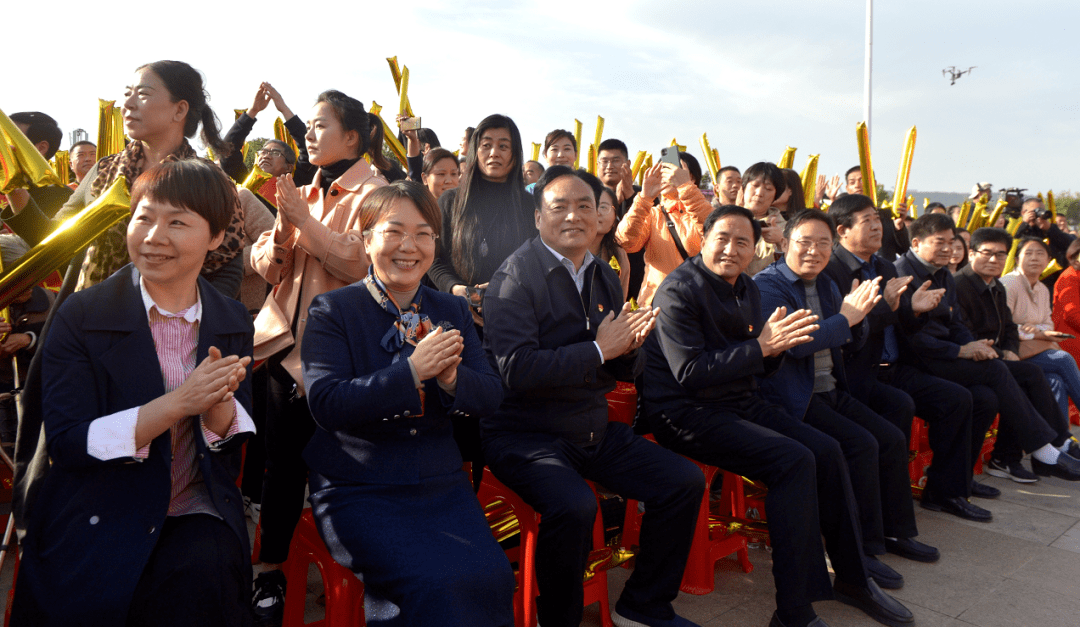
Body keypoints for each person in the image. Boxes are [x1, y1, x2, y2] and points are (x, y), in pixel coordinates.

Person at [645, 204, 914, 627]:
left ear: (756, 248)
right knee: (793, 460)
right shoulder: (680, 289)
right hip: (685, 412)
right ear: (704, 238)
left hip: (737, 401)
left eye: (743, 242)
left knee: (827, 450)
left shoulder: (745, 288)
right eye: (723, 239)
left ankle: (852, 576)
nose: (732, 249)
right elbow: (690, 373)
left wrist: (769, 351)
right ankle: (793, 609)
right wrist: (764, 349)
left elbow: (762, 358)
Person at [11, 159, 255, 627]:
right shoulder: (83, 314)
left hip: (189, 508)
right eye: (144, 217)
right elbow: (68, 441)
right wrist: (178, 403)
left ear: (217, 237)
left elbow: (226, 441)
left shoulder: (229, 317)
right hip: (97, 510)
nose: (153, 235)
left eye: (178, 222)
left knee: (206, 579)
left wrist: (219, 404)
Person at [482, 165, 703, 627]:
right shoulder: (513, 278)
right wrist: (601, 348)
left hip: (590, 427)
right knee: (575, 505)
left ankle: (643, 605)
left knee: (683, 481)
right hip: (526, 434)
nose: (574, 216)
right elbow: (515, 371)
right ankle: (556, 618)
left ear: (601, 217)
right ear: (538, 218)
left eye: (586, 206)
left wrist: (629, 349)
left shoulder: (603, 273)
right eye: (559, 206)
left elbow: (617, 363)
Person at [300, 181, 514, 626]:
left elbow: (491, 394)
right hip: (358, 486)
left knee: (493, 577)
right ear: (366, 240)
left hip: (439, 482)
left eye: (423, 234)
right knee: (429, 585)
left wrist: (454, 379)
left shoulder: (450, 311)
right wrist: (411, 373)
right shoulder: (332, 310)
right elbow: (327, 403)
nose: (409, 246)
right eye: (394, 231)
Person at [249, 89, 387, 625]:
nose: (307, 135)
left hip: (343, 358)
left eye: (319, 125)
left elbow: (360, 264)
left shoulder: (377, 192)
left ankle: (353, 569)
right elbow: (266, 267)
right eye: (307, 125)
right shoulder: (303, 190)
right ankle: (271, 571)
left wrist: (305, 221)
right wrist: (286, 224)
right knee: (280, 468)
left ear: (352, 136)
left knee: (344, 465)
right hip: (285, 350)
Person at [755, 209, 934, 591]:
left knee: (890, 437)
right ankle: (862, 551)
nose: (814, 251)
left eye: (823, 244)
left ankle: (895, 532)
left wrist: (860, 315)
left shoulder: (825, 284)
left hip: (831, 387)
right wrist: (848, 319)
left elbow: (851, 331)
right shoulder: (768, 285)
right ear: (785, 242)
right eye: (805, 242)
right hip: (796, 398)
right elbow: (799, 343)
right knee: (859, 445)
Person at [2, 61, 246, 298]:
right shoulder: (104, 172)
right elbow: (50, 239)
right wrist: (12, 182)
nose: (127, 104)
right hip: (92, 321)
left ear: (179, 109)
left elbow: (226, 269)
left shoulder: (209, 181)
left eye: (143, 94)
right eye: (128, 94)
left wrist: (185, 325)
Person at [824, 194, 994, 523]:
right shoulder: (833, 272)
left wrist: (913, 309)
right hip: (857, 372)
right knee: (900, 406)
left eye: (878, 218)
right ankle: (885, 514)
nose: (877, 226)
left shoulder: (884, 266)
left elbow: (900, 322)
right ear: (842, 230)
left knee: (961, 398)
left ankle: (945, 492)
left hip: (894, 366)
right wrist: (890, 308)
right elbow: (847, 333)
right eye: (867, 221)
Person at [895, 216, 1080, 483]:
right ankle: (1047, 449)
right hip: (925, 360)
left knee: (1009, 387)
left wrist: (990, 347)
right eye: (941, 243)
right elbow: (912, 337)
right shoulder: (908, 274)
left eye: (1000, 254)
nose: (948, 249)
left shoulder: (949, 274)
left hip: (959, 352)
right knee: (1027, 368)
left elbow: (969, 324)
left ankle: (971, 477)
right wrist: (965, 349)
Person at [427, 114, 535, 326]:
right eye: (486, 145)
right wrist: (455, 288)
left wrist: (504, 289)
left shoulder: (530, 205)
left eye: (503, 146)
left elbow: (537, 263)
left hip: (514, 317)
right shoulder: (450, 201)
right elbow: (432, 257)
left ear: (515, 154)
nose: (494, 153)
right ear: (475, 151)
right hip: (456, 316)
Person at [615, 151, 709, 306]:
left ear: (692, 178)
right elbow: (625, 242)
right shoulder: (652, 213)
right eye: (663, 171)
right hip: (656, 304)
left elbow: (712, 230)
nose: (668, 176)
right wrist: (644, 198)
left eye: (676, 170)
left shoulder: (703, 210)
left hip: (698, 303)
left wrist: (686, 189)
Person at [1001, 237, 1080, 420]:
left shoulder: (1043, 289)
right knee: (1063, 359)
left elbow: (1047, 324)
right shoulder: (1009, 284)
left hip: (1038, 349)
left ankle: (1060, 440)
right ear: (1017, 258)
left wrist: (1035, 330)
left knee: (1056, 381)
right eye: (1028, 253)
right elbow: (1005, 327)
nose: (1034, 258)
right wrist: (1037, 332)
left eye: (1040, 254)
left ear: (1048, 260)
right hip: (1011, 351)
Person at [220, 82, 313, 185]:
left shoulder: (296, 188)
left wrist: (283, 108)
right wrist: (252, 111)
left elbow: (309, 147)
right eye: (263, 152)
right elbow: (227, 150)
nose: (266, 156)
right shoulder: (247, 184)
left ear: (288, 167)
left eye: (275, 153)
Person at [1013, 197, 1075, 293]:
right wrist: (1025, 225)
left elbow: (1070, 245)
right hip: (1024, 284)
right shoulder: (1015, 227)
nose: (1039, 214)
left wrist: (1049, 228)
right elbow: (1013, 245)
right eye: (1035, 211)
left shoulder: (1048, 229)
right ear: (1024, 213)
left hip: (1051, 283)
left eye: (1042, 211)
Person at [741, 161, 786, 276]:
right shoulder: (724, 221)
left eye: (768, 189)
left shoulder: (786, 229)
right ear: (744, 188)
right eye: (755, 185)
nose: (759, 193)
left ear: (775, 196)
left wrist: (781, 243)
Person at [592, 184, 630, 299]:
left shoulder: (618, 254)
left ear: (615, 219)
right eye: (591, 206)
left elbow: (620, 300)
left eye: (603, 207)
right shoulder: (566, 250)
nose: (598, 212)